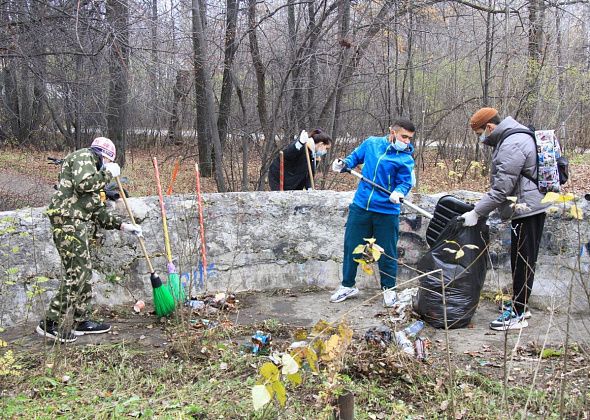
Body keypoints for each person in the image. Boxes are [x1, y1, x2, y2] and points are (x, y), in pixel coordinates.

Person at [37, 137, 143, 343]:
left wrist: (124, 226)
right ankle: (50, 322)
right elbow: (84, 184)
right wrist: (108, 173)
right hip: (66, 220)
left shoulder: (93, 173)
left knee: (83, 271)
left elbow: (98, 212)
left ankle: (81, 320)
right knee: (77, 273)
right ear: (103, 156)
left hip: (75, 222)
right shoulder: (83, 157)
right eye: (107, 162)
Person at [461, 107, 549, 331]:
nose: (482, 139)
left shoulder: (512, 144)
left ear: (489, 127)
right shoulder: (514, 137)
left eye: (481, 133)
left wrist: (477, 212)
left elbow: (501, 190)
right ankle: (521, 305)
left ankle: (518, 314)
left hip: (527, 209)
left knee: (522, 260)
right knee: (524, 258)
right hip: (529, 206)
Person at [329, 119, 416, 307]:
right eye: (404, 136)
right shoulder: (372, 143)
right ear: (392, 133)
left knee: (388, 252)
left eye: (410, 138)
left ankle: (389, 289)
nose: (407, 141)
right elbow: (354, 158)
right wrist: (344, 163)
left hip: (387, 211)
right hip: (361, 206)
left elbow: (405, 181)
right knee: (352, 246)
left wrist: (399, 192)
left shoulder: (406, 158)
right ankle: (347, 286)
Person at [268, 129, 332, 191]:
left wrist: (309, 188)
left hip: (295, 181)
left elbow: (309, 175)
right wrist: (300, 143)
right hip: (280, 179)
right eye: (326, 148)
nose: (325, 151)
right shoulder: (302, 146)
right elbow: (287, 154)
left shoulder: (314, 155)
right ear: (321, 144)